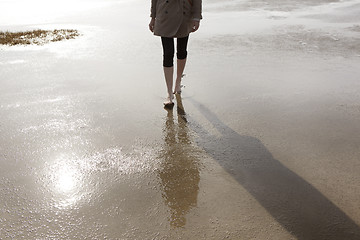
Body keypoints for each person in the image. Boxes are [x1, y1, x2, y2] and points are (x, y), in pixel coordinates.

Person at [149, 0, 202, 107]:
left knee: (181, 51)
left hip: (184, 14)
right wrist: (153, 17)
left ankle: (178, 82)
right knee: (168, 53)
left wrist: (196, 17)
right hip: (164, 14)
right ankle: (169, 93)